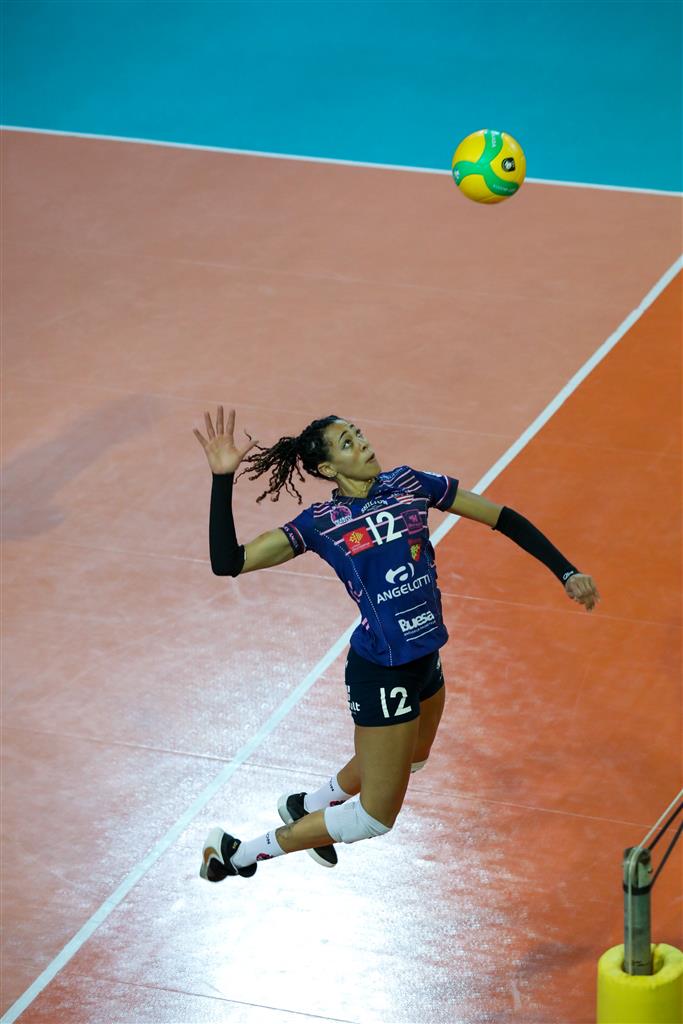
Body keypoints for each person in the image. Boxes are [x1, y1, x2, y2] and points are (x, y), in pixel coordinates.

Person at [193, 407, 600, 881]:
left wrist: (566, 571)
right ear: (328, 468)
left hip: (425, 659)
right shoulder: (320, 524)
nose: (363, 444)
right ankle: (238, 853)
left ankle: (307, 805)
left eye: (359, 434)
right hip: (381, 673)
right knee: (374, 818)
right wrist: (222, 479)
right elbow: (229, 561)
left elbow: (501, 518)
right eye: (347, 443)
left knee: (413, 758)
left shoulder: (409, 484)